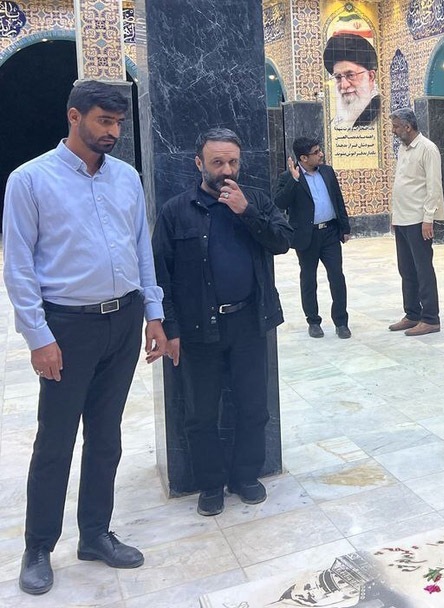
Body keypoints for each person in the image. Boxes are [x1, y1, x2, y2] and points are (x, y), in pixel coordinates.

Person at [3, 80, 167, 595]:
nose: (113, 132)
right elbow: (18, 266)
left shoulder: (127, 178)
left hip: (124, 320)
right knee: (56, 440)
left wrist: (154, 313)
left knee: (106, 435)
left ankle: (95, 534)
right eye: (103, 121)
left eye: (118, 123)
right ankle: (38, 547)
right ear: (74, 117)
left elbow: (141, 248)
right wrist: (38, 336)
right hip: (67, 327)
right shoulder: (30, 180)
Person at [153, 128, 293, 517]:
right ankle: (211, 485)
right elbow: (160, 273)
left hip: (248, 323)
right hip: (198, 329)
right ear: (199, 163)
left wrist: (246, 212)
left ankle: (246, 477)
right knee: (200, 414)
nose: (226, 170)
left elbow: (283, 241)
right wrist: (170, 328)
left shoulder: (256, 201)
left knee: (253, 407)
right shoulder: (176, 211)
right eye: (217, 162)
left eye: (232, 162)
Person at [274, 137, 352, 339]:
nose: (321, 154)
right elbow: (280, 203)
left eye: (320, 150)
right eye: (316, 152)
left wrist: (345, 228)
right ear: (303, 158)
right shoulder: (288, 177)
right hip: (307, 236)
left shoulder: (327, 172)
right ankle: (313, 321)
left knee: (337, 276)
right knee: (309, 279)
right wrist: (294, 180)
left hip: (330, 233)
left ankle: (341, 322)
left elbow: (338, 200)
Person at [388, 107, 444, 336]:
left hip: (418, 220)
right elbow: (403, 184)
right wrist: (395, 216)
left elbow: (434, 186)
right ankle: (412, 314)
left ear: (408, 126)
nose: (393, 131)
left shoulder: (427, 149)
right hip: (402, 219)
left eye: (395, 127)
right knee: (406, 269)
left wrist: (428, 219)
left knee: (423, 270)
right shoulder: (403, 148)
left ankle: (430, 318)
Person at [324, 32, 380, 129]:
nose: (344, 85)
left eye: (350, 75)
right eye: (338, 77)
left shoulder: (381, 114)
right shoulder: (335, 123)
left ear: (370, 77)